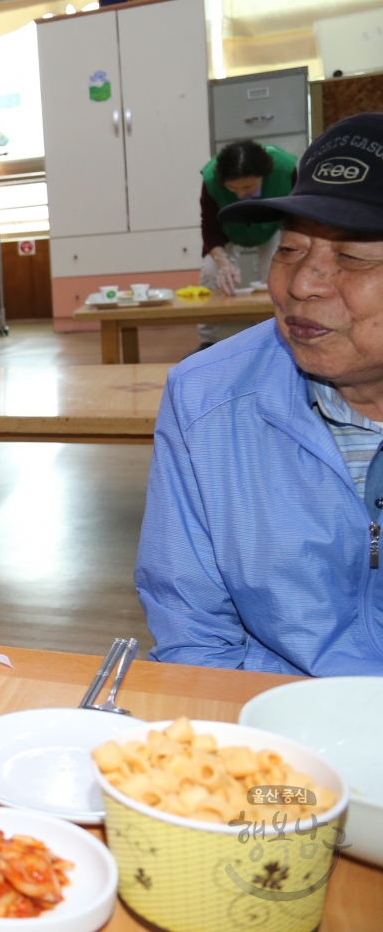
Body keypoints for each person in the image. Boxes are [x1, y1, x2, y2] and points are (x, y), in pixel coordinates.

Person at [136, 113, 383, 676]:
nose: (300, 285)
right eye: (291, 249)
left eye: (350, 257)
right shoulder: (205, 398)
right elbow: (193, 631)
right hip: (273, 723)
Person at [198, 138, 300, 346]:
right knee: (210, 271)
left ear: (264, 174)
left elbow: (299, 216)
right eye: (232, 188)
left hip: (273, 226)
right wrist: (223, 264)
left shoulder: (285, 170)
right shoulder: (211, 180)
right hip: (229, 230)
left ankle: (276, 337)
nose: (240, 193)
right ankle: (207, 341)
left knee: (275, 272)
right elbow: (209, 227)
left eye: (248, 186)